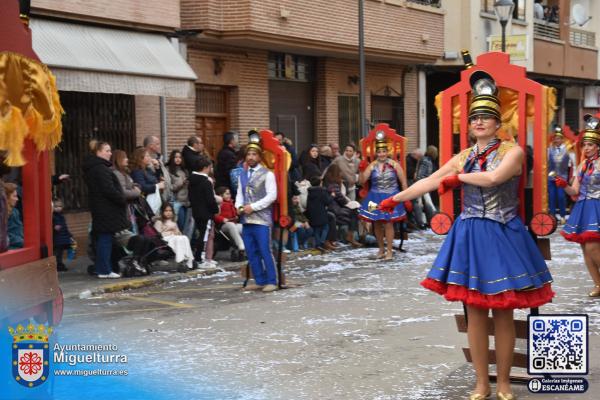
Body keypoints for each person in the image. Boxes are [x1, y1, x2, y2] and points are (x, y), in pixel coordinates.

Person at [379, 71, 554, 399]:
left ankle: (502, 382)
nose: (479, 121)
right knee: (474, 313)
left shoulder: (512, 151)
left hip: (503, 234)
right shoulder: (464, 156)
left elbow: (494, 178)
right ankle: (481, 382)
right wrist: (396, 198)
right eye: (474, 116)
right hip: (470, 234)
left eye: (486, 116)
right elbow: (430, 180)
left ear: (498, 121)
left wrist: (459, 178)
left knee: (503, 312)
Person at [557, 114, 600, 297]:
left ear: (598, 146)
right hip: (582, 207)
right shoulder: (583, 165)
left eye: (590, 145)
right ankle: (598, 284)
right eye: (584, 144)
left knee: (592, 247)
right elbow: (574, 191)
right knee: (585, 249)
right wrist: (563, 184)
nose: (586, 148)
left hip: (597, 206)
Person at [235, 132, 278, 292]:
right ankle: (259, 280)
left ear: (260, 157)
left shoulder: (268, 174)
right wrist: (238, 207)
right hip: (246, 219)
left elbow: (272, 196)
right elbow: (239, 194)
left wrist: (253, 207)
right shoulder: (242, 174)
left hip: (262, 220)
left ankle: (272, 280)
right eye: (248, 154)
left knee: (265, 250)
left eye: (254, 154)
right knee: (251, 251)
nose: (251, 157)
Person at [358, 132, 409, 260]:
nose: (381, 154)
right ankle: (381, 248)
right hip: (374, 197)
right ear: (376, 153)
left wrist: (406, 198)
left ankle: (390, 250)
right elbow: (362, 182)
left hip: (391, 197)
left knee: (388, 223)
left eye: (384, 152)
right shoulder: (372, 165)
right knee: (376, 222)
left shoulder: (395, 165)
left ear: (387, 152)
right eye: (379, 152)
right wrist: (361, 170)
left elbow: (403, 182)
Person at [83, 140, 130, 279]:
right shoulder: (100, 169)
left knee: (104, 239)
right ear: (98, 152)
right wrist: (122, 199)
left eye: (110, 150)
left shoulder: (96, 168)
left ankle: (103, 268)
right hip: (106, 210)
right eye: (107, 150)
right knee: (105, 239)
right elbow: (108, 190)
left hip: (102, 208)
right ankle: (104, 270)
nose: (110, 153)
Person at [188, 157, 219, 266]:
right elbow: (210, 200)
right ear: (205, 168)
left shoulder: (192, 180)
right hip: (206, 213)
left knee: (200, 234)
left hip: (196, 211)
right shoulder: (206, 182)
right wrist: (215, 209)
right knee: (204, 236)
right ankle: (200, 258)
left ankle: (200, 257)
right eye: (210, 167)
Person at [154, 203, 195, 269]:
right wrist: (169, 233)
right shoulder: (159, 221)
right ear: (162, 212)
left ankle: (190, 259)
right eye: (166, 211)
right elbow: (157, 234)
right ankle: (181, 260)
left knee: (184, 238)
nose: (168, 213)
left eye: (170, 211)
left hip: (174, 237)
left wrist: (177, 232)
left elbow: (179, 233)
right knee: (178, 239)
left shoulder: (174, 222)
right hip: (165, 239)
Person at [547, 127, 573, 225]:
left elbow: (572, 164)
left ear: (562, 139)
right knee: (552, 197)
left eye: (559, 138)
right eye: (555, 138)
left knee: (561, 197)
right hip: (551, 178)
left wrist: (572, 177)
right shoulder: (549, 149)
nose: (557, 140)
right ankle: (552, 216)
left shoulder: (568, 150)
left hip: (562, 177)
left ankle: (562, 216)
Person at [112, 150, 142, 232]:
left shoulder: (124, 172)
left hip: (129, 208)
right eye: (124, 157)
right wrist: (137, 192)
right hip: (125, 209)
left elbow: (131, 184)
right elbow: (123, 192)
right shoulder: (117, 173)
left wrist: (135, 185)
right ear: (118, 159)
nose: (127, 159)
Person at [214, 186, 245, 261]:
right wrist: (222, 219)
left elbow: (236, 213)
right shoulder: (219, 204)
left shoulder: (231, 203)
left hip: (232, 224)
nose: (229, 195)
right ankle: (241, 246)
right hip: (223, 226)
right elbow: (214, 215)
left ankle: (241, 248)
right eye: (226, 194)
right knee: (231, 225)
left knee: (243, 227)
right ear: (221, 195)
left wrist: (237, 215)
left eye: (229, 194)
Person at [306, 176, 333, 252]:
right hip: (321, 214)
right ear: (320, 183)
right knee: (326, 227)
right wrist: (332, 196)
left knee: (316, 230)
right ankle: (322, 242)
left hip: (312, 215)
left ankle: (318, 245)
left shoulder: (310, 192)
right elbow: (327, 201)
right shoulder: (321, 191)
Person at [143, 135, 172, 203]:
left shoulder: (158, 158)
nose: (159, 146)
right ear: (151, 146)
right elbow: (153, 179)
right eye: (157, 144)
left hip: (165, 195)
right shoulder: (146, 162)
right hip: (154, 198)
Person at [415, 145, 439, 224]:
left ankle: (424, 221)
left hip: (423, 184)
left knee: (422, 203)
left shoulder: (427, 160)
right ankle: (431, 221)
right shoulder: (427, 161)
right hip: (423, 184)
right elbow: (421, 174)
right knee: (426, 203)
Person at [166, 150, 190, 230]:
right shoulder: (168, 170)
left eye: (180, 157)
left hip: (186, 202)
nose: (178, 159)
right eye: (176, 157)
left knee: (187, 226)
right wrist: (181, 183)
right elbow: (170, 187)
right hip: (176, 202)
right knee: (180, 225)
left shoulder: (185, 170)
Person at [52, 199, 74, 271]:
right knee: (56, 253)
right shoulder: (53, 216)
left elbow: (65, 227)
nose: (58, 208)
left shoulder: (61, 216)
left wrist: (69, 235)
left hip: (62, 238)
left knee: (60, 252)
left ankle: (59, 264)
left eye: (60, 206)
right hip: (57, 238)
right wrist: (54, 227)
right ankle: (57, 265)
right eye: (56, 206)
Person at [4, 182, 23, 250]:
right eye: (14, 196)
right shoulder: (3, 213)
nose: (17, 199)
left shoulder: (15, 211)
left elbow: (19, 230)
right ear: (6, 197)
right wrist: (23, 242)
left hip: (20, 247)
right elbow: (5, 234)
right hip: (10, 249)